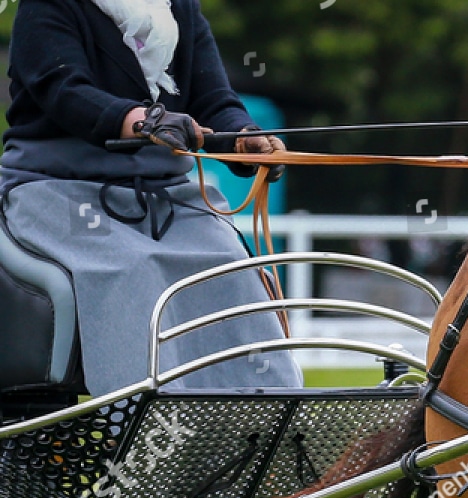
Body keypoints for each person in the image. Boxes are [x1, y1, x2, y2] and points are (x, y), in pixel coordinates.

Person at [0, 0, 301, 395]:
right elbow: (63, 89)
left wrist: (243, 137)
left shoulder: (182, 8)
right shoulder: (48, 5)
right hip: (58, 189)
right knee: (132, 266)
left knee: (228, 264)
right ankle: (147, 419)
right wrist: (143, 121)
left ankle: (268, 410)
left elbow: (214, 99)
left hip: (166, 194)